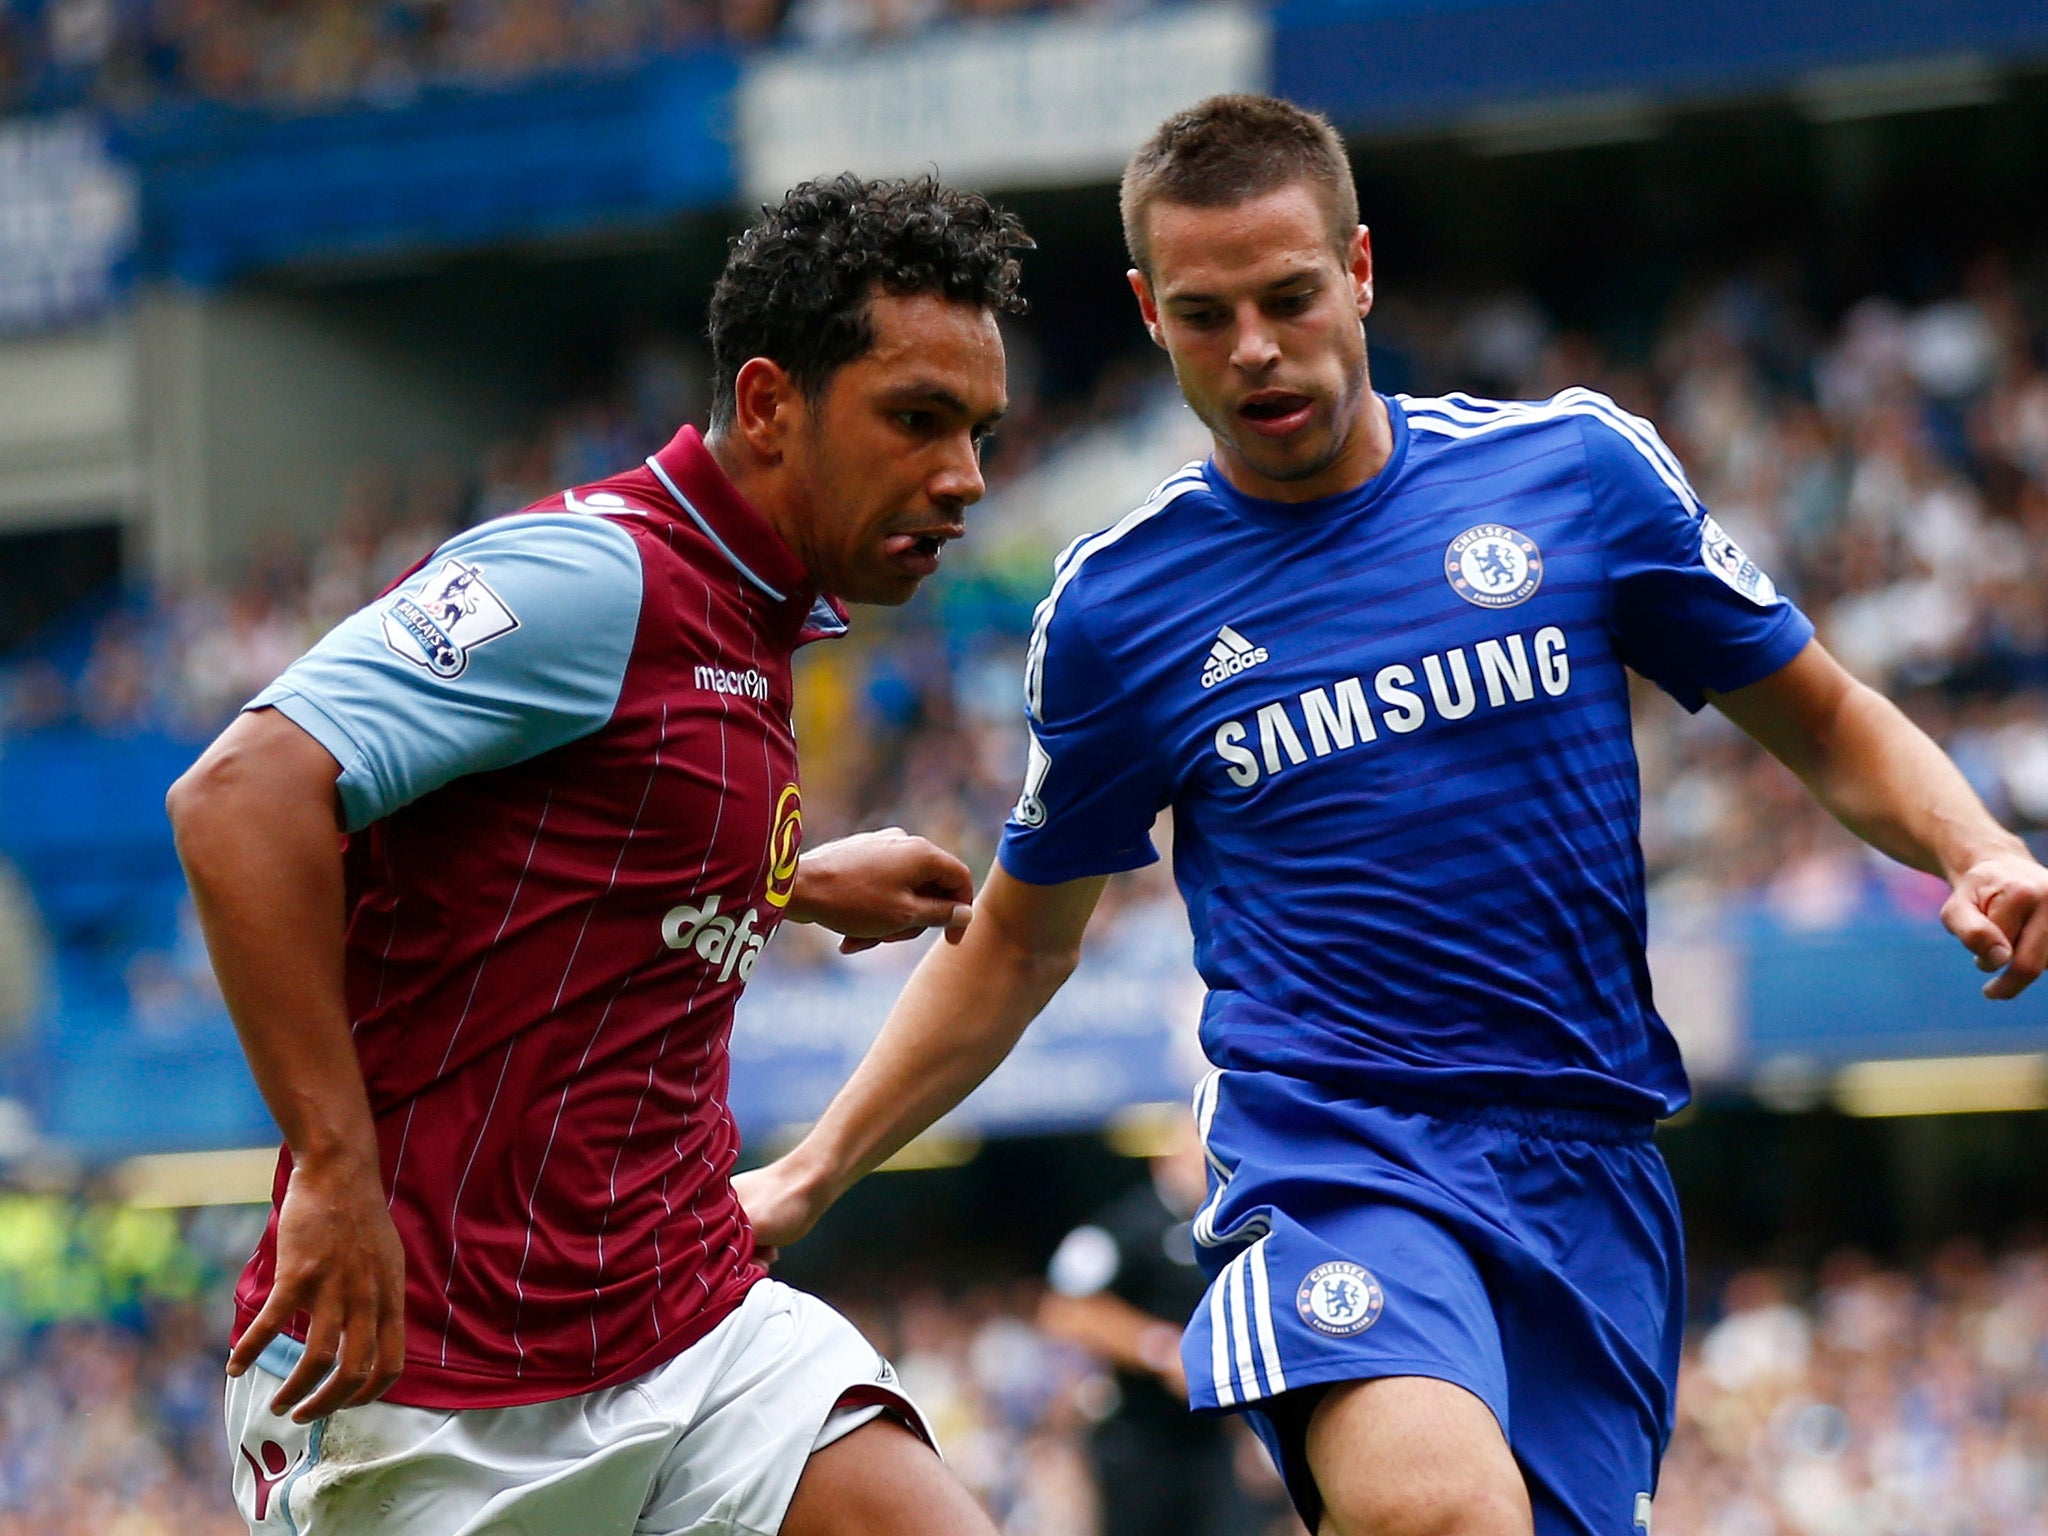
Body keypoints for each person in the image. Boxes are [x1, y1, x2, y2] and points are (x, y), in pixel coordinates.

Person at [734, 98, 2048, 1536]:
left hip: (1586, 1162)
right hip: (1332, 1153)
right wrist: (807, 1174)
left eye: (1290, 298)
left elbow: (1825, 715)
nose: (1253, 349)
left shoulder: (1574, 477)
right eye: (1205, 313)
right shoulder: (1123, 610)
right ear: (1147, 317)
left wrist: (1974, 845)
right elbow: (1015, 946)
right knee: (1438, 1512)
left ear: (1357, 272)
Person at [168, 173, 1028, 1536]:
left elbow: (570, 830)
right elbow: (240, 799)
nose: (963, 478)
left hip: (688, 1320)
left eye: (978, 432)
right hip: (433, 1387)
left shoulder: (756, 615)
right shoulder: (591, 578)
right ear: (767, 404)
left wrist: (789, 878)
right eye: (917, 421)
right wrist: (334, 1164)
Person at [1039, 1123, 1289, 1536]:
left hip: (1213, 1440)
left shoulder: (1237, 1228)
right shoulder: (1129, 1226)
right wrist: (1160, 1350)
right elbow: (1065, 1309)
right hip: (1142, 1441)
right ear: (1167, 1161)